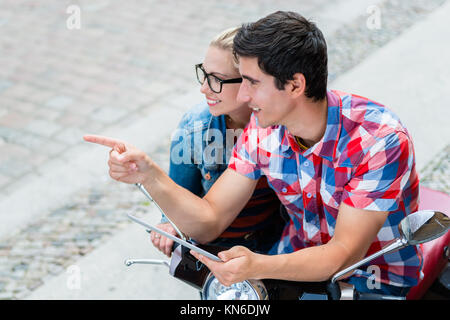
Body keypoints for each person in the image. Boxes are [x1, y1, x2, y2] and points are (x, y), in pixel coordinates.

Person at [84, 11, 421, 297]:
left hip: (372, 279)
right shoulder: (263, 128)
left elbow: (343, 256)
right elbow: (211, 220)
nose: (243, 96)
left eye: (252, 82)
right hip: (291, 263)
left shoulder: (379, 140)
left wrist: (258, 264)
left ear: (294, 85)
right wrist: (150, 175)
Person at [150, 26, 285, 257]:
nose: (203, 89)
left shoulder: (283, 125)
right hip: (217, 249)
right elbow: (179, 192)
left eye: (216, 80)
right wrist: (169, 223)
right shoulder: (194, 128)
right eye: (204, 73)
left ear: (250, 81)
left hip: (276, 242)